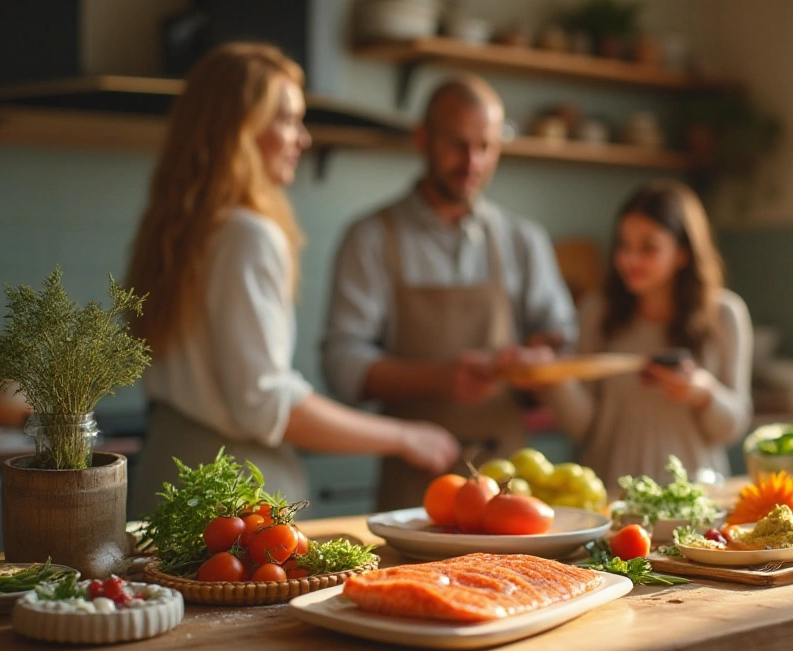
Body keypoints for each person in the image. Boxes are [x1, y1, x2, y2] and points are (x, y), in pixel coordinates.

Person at [124, 43, 459, 518]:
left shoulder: (174, 230)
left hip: (165, 471)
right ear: (237, 130)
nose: (302, 138)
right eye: (286, 119)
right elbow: (265, 402)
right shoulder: (248, 234)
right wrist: (404, 436)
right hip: (231, 495)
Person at [322, 74, 577, 510]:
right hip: (414, 489)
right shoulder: (369, 239)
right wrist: (441, 377)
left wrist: (539, 361)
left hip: (511, 489)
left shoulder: (523, 239)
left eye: (486, 147)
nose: (472, 162)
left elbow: (561, 342)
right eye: (457, 144)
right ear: (423, 139)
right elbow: (343, 368)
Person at [545, 180, 753, 486]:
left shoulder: (724, 315)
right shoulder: (596, 311)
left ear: (683, 252)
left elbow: (733, 427)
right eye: (623, 246)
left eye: (648, 247)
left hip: (696, 497)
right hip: (612, 495)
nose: (630, 260)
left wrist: (704, 394)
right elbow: (581, 427)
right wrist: (555, 375)